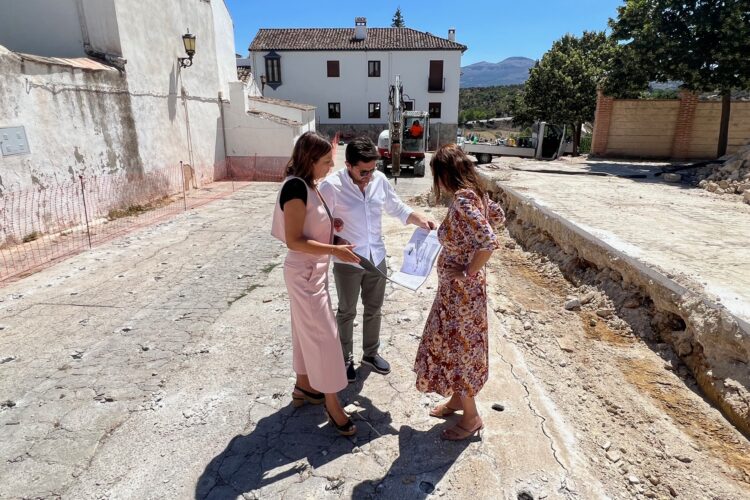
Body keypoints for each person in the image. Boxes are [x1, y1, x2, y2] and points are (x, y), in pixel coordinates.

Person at [319, 136, 435, 384]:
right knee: (346, 312)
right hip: (347, 260)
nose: (369, 176)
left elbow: (398, 208)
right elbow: (317, 224)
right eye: (363, 171)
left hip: (377, 257)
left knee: (374, 310)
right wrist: (335, 240)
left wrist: (420, 219)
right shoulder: (330, 187)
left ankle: (370, 355)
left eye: (373, 170)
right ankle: (344, 358)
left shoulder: (379, 180)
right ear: (348, 164)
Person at [270, 131, 361, 436]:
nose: (329, 167)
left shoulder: (310, 186)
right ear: (309, 160)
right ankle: (332, 403)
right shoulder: (296, 187)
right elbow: (295, 240)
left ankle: (305, 387)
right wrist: (334, 250)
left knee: (304, 330)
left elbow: (314, 231)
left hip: (313, 271)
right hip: (304, 272)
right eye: (325, 161)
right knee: (325, 337)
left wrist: (337, 241)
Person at [413, 143, 505, 441]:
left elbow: (489, 240)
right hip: (461, 294)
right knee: (453, 346)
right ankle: (456, 400)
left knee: (461, 348)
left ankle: (472, 417)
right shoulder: (477, 195)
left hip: (461, 295)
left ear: (444, 174)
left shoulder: (464, 200)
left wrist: (466, 270)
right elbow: (498, 217)